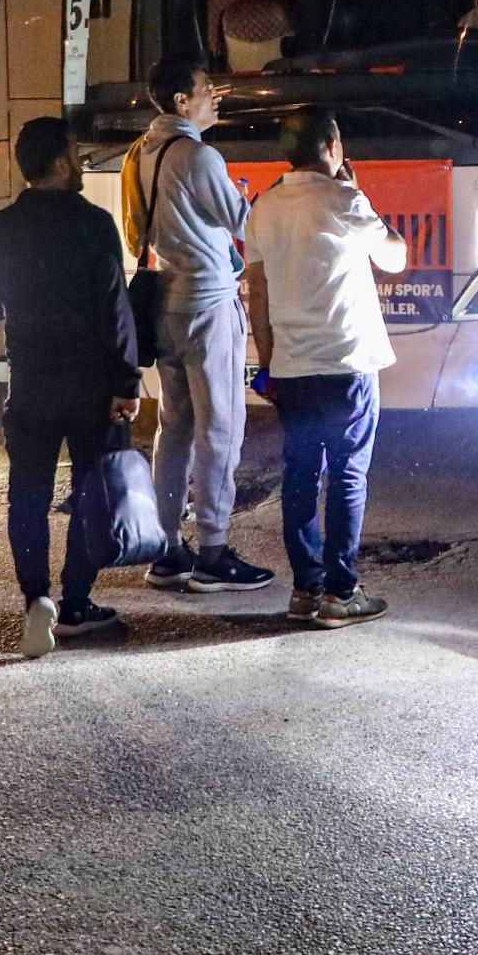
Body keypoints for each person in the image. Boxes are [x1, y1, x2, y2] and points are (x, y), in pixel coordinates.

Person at [0, 116, 143, 657]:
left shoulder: (1, 228)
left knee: (29, 494)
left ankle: (36, 598)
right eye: (77, 153)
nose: (82, 161)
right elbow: (117, 312)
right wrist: (126, 381)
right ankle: (78, 602)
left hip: (32, 384)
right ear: (62, 163)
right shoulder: (94, 223)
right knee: (88, 491)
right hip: (90, 386)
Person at [245, 109, 404, 627]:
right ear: (332, 147)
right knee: (347, 475)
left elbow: (258, 292)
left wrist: (268, 362)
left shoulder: (263, 208)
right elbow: (396, 258)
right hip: (347, 362)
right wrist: (362, 194)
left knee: (299, 476)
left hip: (291, 366)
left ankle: (305, 591)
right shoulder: (345, 199)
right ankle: (341, 592)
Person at [123, 54, 271, 593]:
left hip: (165, 299)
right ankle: (213, 548)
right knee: (220, 429)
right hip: (208, 303)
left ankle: (168, 547)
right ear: (182, 101)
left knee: (175, 427)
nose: (217, 96)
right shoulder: (197, 155)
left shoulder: (143, 152)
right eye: (207, 88)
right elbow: (245, 223)